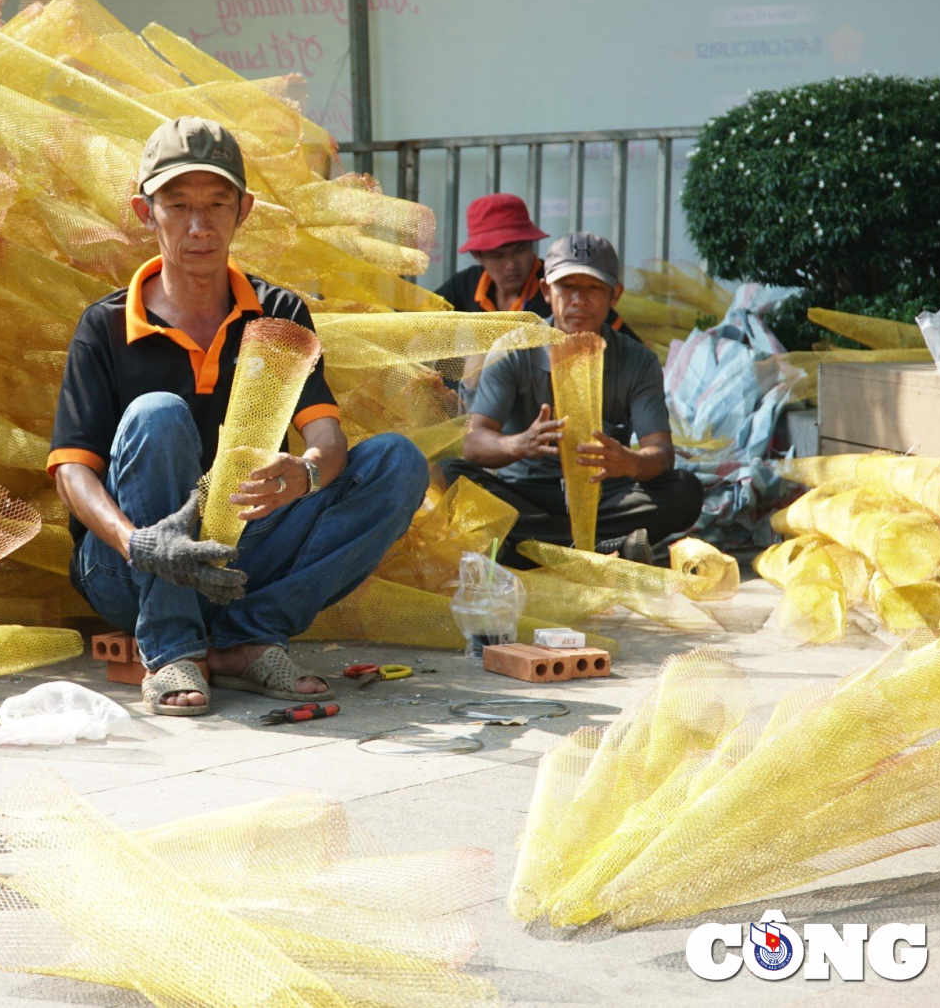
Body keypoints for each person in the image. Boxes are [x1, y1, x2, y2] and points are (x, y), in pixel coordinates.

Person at [49, 117, 428, 716]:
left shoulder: (277, 312)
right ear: (145, 212)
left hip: (240, 559)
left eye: (217, 204)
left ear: (243, 210)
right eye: (177, 206)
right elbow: (73, 473)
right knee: (156, 414)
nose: (199, 226)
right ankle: (172, 646)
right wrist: (143, 544)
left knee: (397, 463)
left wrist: (303, 473)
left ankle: (246, 638)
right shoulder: (105, 326)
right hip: (127, 570)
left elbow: (327, 437)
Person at [441, 231, 702, 565]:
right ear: (546, 291)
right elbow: (474, 443)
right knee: (450, 475)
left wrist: (629, 461)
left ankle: (538, 550)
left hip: (606, 497)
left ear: (615, 295)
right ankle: (600, 550)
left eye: (593, 288)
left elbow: (662, 454)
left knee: (685, 490)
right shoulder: (513, 349)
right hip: (526, 497)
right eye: (567, 287)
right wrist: (519, 445)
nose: (579, 299)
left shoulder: (639, 361)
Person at [434, 193, 638, 340]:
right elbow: (417, 324)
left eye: (520, 250)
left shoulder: (561, 287)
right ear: (477, 255)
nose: (511, 265)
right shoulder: (465, 285)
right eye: (498, 256)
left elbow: (629, 345)